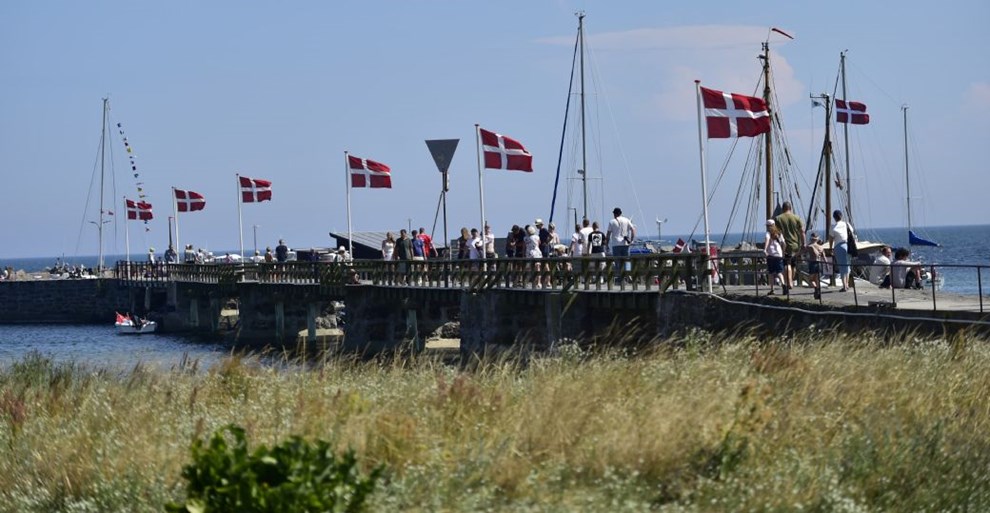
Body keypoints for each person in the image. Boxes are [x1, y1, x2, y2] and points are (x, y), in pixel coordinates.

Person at [774, 201, 804, 293]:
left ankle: (789, 282)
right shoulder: (797, 217)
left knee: (787, 264)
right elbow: (802, 231)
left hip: (784, 245)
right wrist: (804, 243)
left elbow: (776, 233)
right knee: (793, 265)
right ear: (791, 208)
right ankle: (791, 281)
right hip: (795, 245)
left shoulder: (778, 218)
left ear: (783, 209)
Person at [829, 210, 853, 292]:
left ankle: (844, 285)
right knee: (847, 265)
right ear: (841, 216)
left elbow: (831, 238)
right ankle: (847, 283)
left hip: (839, 246)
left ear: (834, 218)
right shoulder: (846, 224)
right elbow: (852, 232)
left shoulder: (833, 227)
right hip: (847, 245)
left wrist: (830, 248)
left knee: (842, 266)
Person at [763, 220, 784, 296]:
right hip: (779, 254)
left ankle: (772, 289)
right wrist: (783, 252)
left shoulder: (768, 233)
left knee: (771, 273)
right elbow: (783, 243)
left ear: (768, 226)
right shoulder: (779, 233)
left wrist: (765, 249)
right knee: (779, 272)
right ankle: (783, 285)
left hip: (771, 255)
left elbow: (767, 241)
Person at [805, 233, 826, 300]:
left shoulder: (810, 246)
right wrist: (827, 265)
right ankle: (818, 292)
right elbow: (824, 257)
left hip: (812, 263)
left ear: (811, 238)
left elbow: (802, 251)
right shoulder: (821, 247)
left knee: (810, 280)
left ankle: (816, 289)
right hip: (819, 263)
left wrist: (795, 256)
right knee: (817, 280)